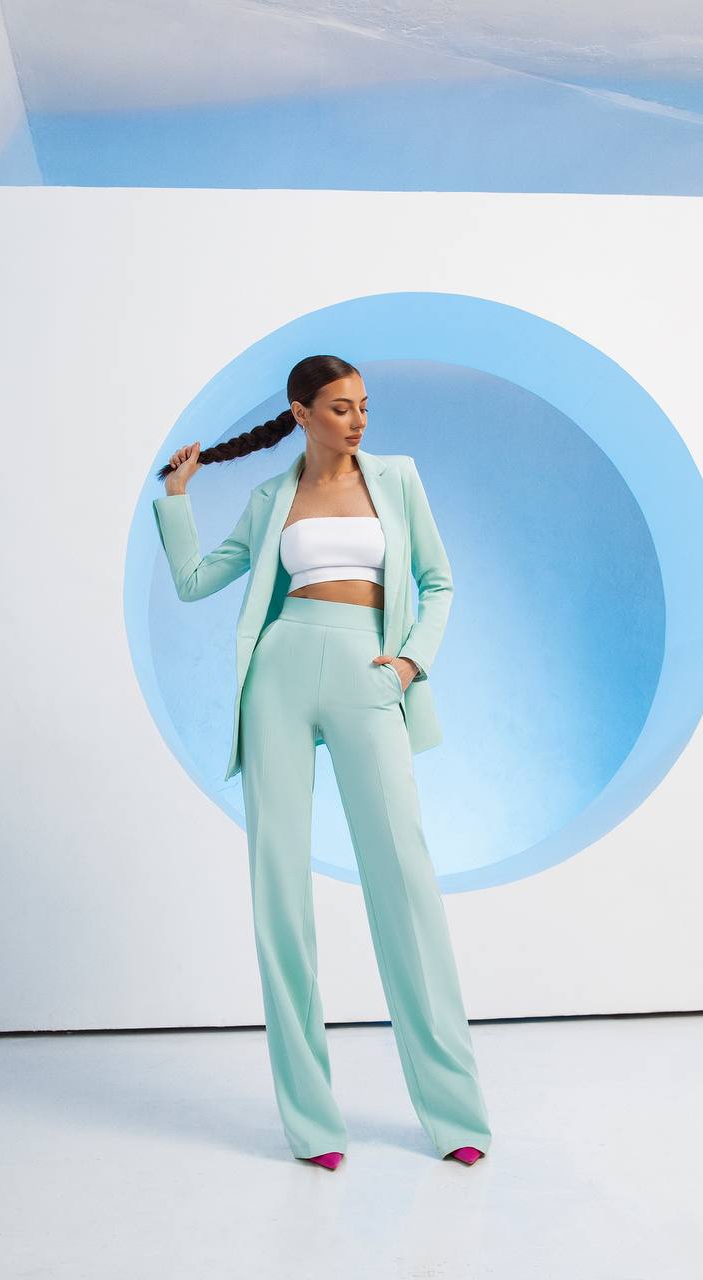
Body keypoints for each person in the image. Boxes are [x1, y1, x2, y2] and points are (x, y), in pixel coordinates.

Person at [153, 354, 491, 1170]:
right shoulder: (273, 498)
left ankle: (454, 1115)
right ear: (300, 413)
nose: (358, 420)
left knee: (403, 880)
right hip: (279, 669)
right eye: (340, 408)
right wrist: (176, 500)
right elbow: (198, 582)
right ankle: (310, 1122)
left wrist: (409, 662)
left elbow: (437, 581)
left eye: (363, 406)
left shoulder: (396, 478)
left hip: (367, 671)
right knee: (278, 887)